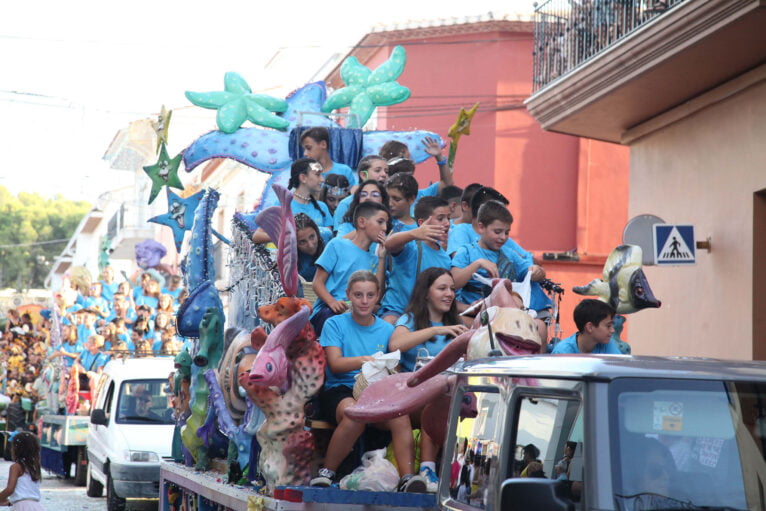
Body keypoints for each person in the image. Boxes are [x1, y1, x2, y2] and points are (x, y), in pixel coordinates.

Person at [311, 271, 426, 493]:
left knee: (400, 416)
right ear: (348, 295)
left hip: (377, 390)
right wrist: (366, 360)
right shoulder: (334, 324)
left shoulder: (386, 329)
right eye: (358, 295)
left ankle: (408, 477)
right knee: (355, 412)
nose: (364, 301)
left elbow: (395, 367)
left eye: (370, 295)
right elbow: (335, 364)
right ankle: (327, 471)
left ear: (378, 297)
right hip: (341, 389)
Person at [388, 268, 468, 490]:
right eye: (442, 288)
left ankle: (459, 472)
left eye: (452, 289)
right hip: (413, 397)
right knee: (435, 401)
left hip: (449, 398)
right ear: (425, 293)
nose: (449, 294)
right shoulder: (411, 319)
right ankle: (427, 469)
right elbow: (395, 345)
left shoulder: (458, 324)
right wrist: (435, 330)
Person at [311, 201, 388, 335]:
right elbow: (317, 283)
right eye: (380, 222)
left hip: (360, 312)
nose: (385, 228)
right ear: (362, 222)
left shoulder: (376, 259)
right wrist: (332, 302)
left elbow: (377, 297)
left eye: (386, 223)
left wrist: (382, 258)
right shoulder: (337, 245)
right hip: (330, 311)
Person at [379, 197, 452, 323]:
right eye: (440, 218)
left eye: (448, 218)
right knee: (389, 324)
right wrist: (414, 233)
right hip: (397, 311)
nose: (447, 223)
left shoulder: (445, 258)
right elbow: (389, 244)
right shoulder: (411, 246)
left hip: (424, 317)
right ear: (421, 223)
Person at [450, 201, 529, 306]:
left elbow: (531, 270)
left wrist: (536, 271)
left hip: (503, 312)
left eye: (506, 232)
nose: (503, 237)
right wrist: (477, 264)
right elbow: (453, 283)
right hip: (474, 314)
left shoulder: (509, 254)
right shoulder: (466, 252)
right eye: (497, 232)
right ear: (481, 227)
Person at [253, 158, 334, 243]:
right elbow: (257, 236)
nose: (322, 179)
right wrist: (287, 236)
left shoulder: (322, 207)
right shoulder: (282, 204)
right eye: (318, 175)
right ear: (303, 178)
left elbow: (328, 236)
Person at [332, 155, 388, 229]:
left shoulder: (390, 201)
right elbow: (339, 238)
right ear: (363, 175)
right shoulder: (346, 204)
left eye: (387, 171)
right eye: (377, 170)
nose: (384, 174)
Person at [551, 299, 620, 354]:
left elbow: (620, 368)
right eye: (608, 326)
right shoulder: (562, 353)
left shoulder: (606, 344)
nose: (612, 330)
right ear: (590, 327)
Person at [0, 431, 44, 510]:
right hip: (36, 506)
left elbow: (10, 489)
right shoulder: (34, 467)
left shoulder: (16, 467)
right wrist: (10, 502)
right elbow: (27, 493)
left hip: (21, 507)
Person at [294, 214, 327, 282]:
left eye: (312, 237)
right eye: (302, 242)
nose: (310, 245)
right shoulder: (289, 258)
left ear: (317, 232)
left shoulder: (327, 236)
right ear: (294, 244)